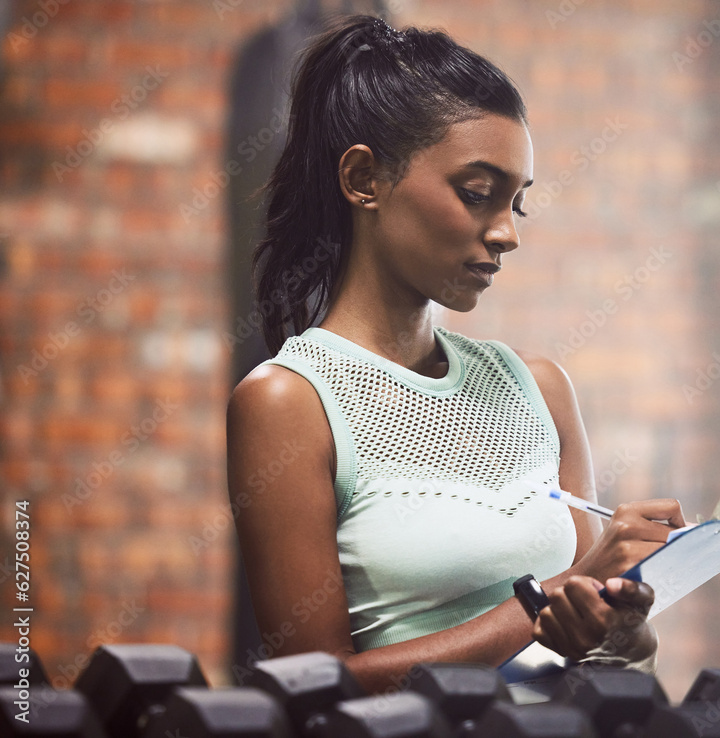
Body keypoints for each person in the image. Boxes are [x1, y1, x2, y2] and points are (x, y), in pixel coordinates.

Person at [226, 14, 686, 695]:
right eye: (476, 195)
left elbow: (586, 654)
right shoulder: (289, 402)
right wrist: (544, 602)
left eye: (516, 204)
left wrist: (614, 619)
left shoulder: (539, 387)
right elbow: (310, 689)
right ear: (364, 180)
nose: (506, 233)